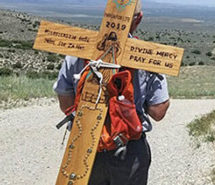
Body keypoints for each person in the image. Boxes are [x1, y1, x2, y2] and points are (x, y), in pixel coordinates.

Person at [53, 1, 170, 184]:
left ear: (107, 15)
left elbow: (65, 103)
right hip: (129, 149)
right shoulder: (149, 57)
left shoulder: (79, 48)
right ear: (138, 19)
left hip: (84, 142)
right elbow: (158, 112)